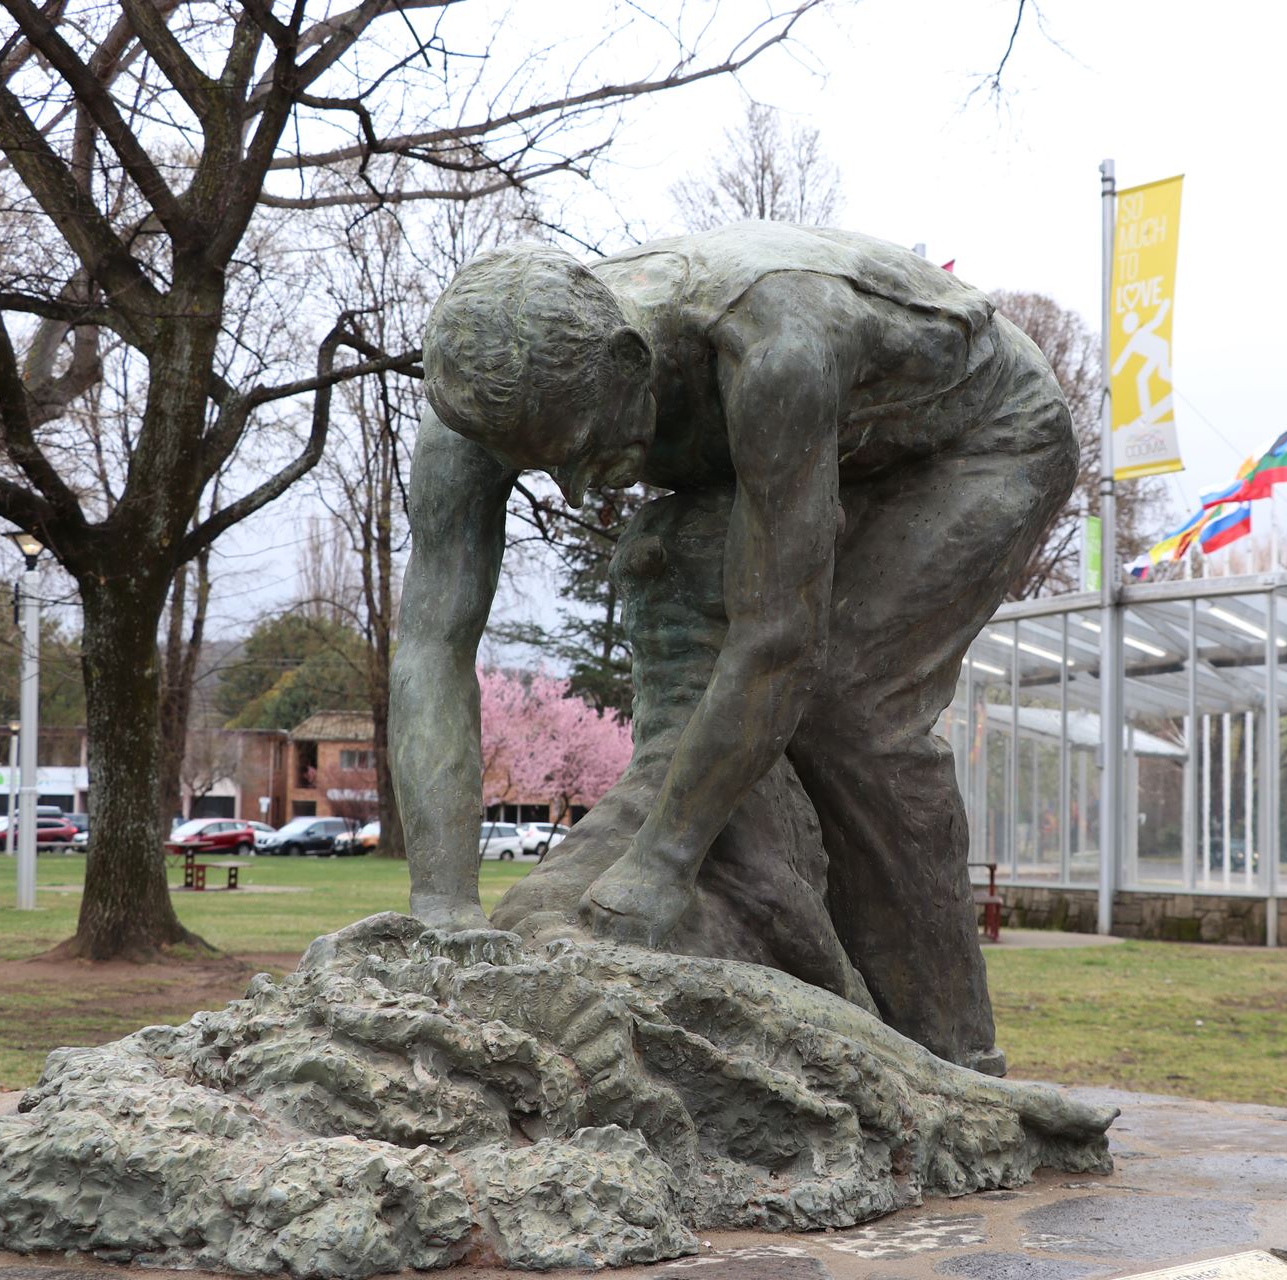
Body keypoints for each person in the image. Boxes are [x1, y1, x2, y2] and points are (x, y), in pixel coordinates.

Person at [391, 223, 1077, 1069]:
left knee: (847, 704)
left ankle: (952, 1057)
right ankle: (795, 950)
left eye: (578, 449)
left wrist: (659, 865)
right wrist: (443, 904)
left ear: (627, 361)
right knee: (697, 645)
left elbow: (777, 641)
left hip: (978, 438)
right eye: (539, 467)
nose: (573, 488)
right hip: (803, 446)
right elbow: (432, 648)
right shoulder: (470, 412)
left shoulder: (770, 343)